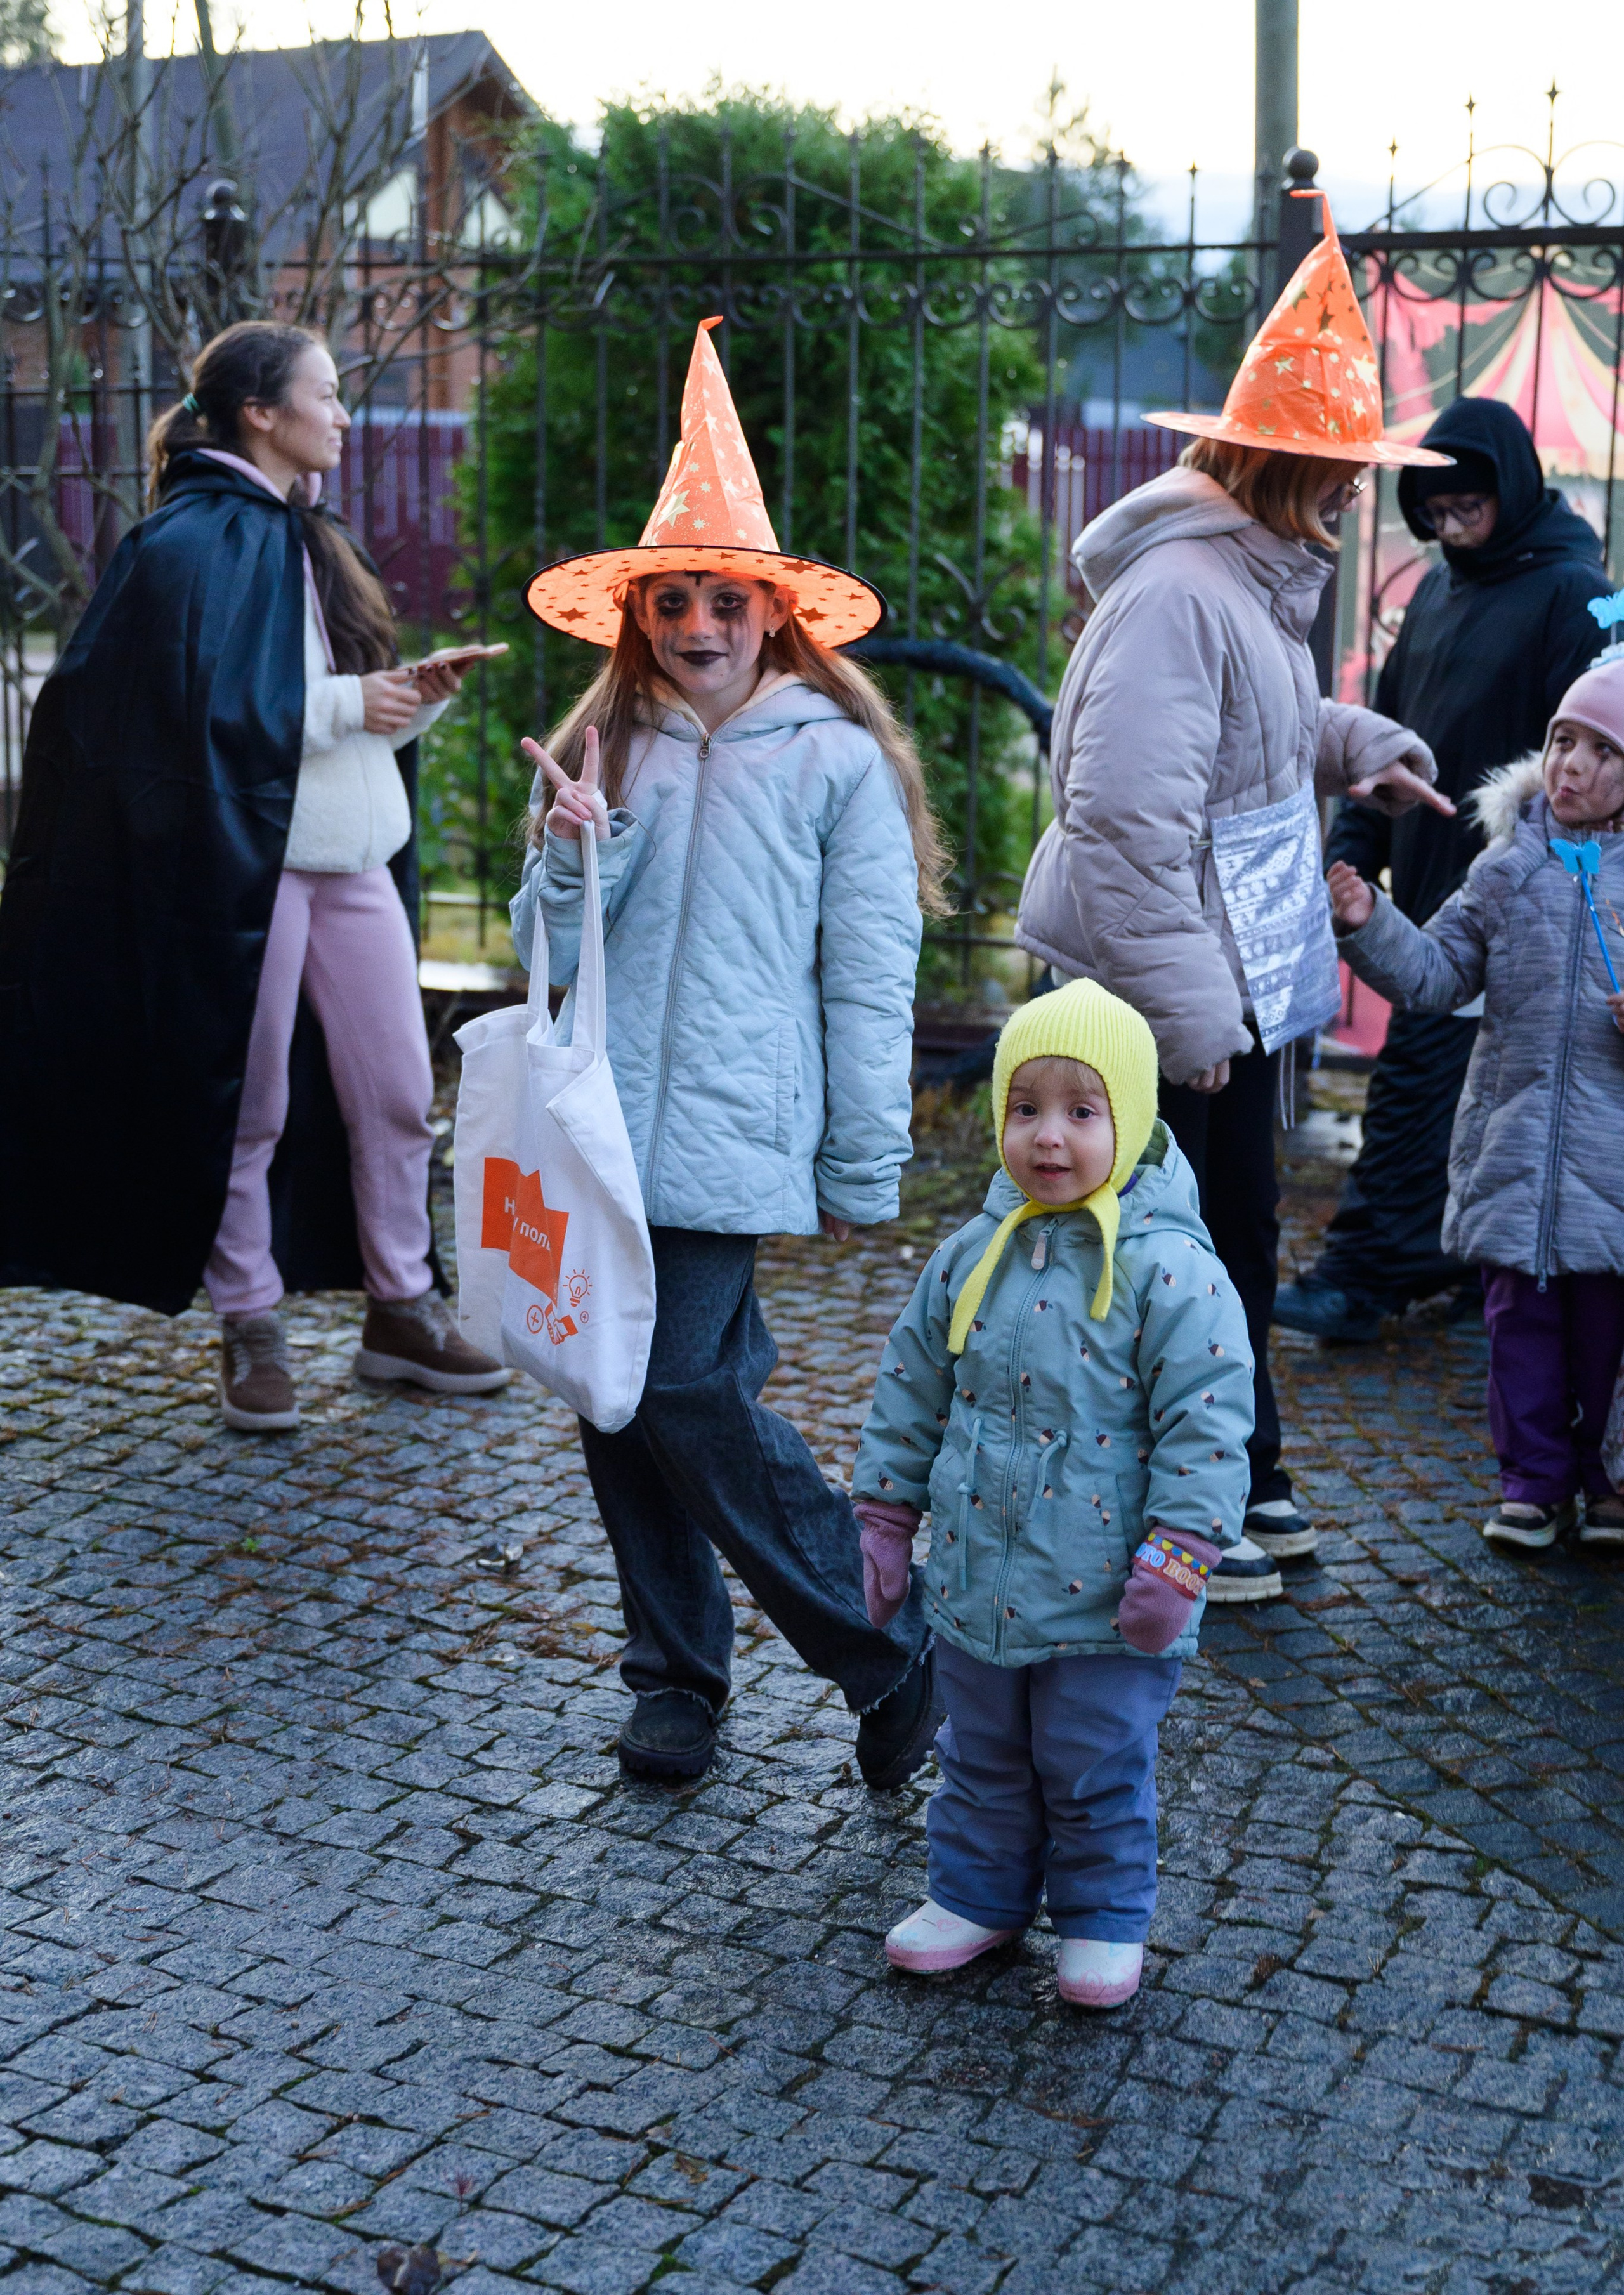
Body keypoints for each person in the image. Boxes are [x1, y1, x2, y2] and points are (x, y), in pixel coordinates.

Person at [513, 318, 950, 1791]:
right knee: (615, 1400)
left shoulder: (835, 757)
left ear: (774, 613)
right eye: (674, 600)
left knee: (685, 1388)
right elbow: (552, 948)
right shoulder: (606, 746)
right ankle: (677, 1680)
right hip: (599, 1127)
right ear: (638, 615)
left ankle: (882, 1645)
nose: (698, 622)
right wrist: (575, 852)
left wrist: (859, 1157)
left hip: (727, 1132)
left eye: (724, 598)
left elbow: (869, 971)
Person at [1014, 206, 1454, 1603]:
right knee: (1170, 1255)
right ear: (1275, 465)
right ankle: (1190, 1498)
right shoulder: (1183, 594)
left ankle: (1235, 1477)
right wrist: (1194, 1015)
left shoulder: (1242, 587)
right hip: (1172, 990)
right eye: (1335, 470)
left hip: (1228, 981)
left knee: (1228, 1242)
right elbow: (1124, 822)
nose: (1351, 495)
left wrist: (1355, 747)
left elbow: (1245, 738)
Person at [0, 320, 509, 1427]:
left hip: (355, 860)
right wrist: (343, 707)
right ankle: (251, 1322)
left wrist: (413, 690)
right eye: (324, 396)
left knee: (396, 1097)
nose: (340, 414)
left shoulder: (311, 533)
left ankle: (402, 1310)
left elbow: (315, 696)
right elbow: (165, 716)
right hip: (251, 869)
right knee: (253, 1102)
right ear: (260, 414)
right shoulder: (182, 545)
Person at [850, 981, 1252, 2006]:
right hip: (981, 1581)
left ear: (1133, 1119)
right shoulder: (970, 1256)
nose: (1049, 1138)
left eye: (1083, 1111)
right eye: (1026, 1109)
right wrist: (887, 1519)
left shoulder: (1173, 1273)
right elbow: (911, 1387)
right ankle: (976, 1897)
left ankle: (1104, 1918)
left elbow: (1208, 1425)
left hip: (1110, 1604)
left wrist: (1181, 1557)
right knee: (979, 1753)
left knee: (1091, 1764)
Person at [1277, 396, 1613, 1344]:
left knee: (1420, 1082)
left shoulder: (1575, 591)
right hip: (1428, 882)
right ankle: (1473, 1271)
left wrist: (1548, 877)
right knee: (1473, 1097)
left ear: (1511, 487)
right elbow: (1391, 730)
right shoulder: (1435, 590)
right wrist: (1355, 845)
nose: (1453, 522)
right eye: (1436, 506)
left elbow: (1591, 756)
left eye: (1471, 503)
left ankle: (1365, 1275)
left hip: (1521, 896)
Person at [1326, 644, 1624, 1549]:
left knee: (1607, 1339)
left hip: (1613, 1167)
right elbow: (1437, 975)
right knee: (1519, 1328)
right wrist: (1371, 927)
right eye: (1565, 742)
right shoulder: (1506, 871)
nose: (1574, 766)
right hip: (1514, 1147)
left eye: (1605, 753)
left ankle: (1610, 1484)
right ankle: (1532, 1482)